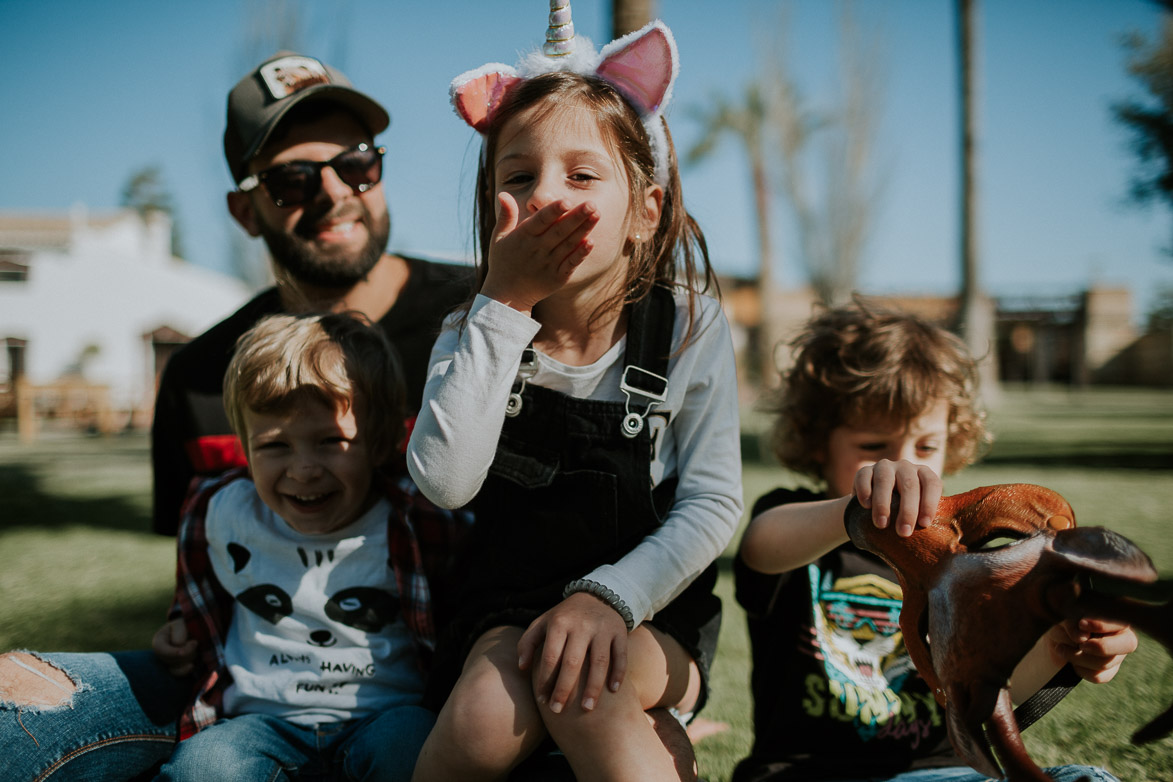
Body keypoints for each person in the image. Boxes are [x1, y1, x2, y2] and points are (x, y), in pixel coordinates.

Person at [0, 51, 469, 782]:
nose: (335, 192)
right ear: (244, 210)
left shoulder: (480, 327)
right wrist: (180, 636)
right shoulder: (199, 374)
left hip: (444, 679)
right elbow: (204, 579)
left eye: (357, 164)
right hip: (256, 698)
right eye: (292, 179)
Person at [406, 10, 743, 782]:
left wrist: (609, 598)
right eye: (518, 178)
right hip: (507, 610)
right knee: (485, 717)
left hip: (649, 613)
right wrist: (503, 309)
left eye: (582, 176)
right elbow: (444, 481)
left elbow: (714, 501)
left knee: (594, 690)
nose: (547, 197)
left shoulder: (689, 323)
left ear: (644, 211)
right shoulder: (472, 329)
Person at [732, 299, 1139, 782]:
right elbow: (761, 545)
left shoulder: (970, 563)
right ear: (818, 443)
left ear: (953, 441)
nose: (903, 465)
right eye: (872, 448)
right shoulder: (798, 522)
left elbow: (994, 683)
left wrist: (1068, 645)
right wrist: (855, 513)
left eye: (925, 446)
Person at [153, 311, 454, 781]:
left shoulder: (414, 518)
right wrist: (176, 634)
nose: (303, 469)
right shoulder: (218, 511)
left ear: (381, 443)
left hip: (385, 716)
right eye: (275, 446)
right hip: (258, 721)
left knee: (413, 746)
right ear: (245, 445)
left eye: (330, 441)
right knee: (205, 766)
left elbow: (467, 610)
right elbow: (196, 609)